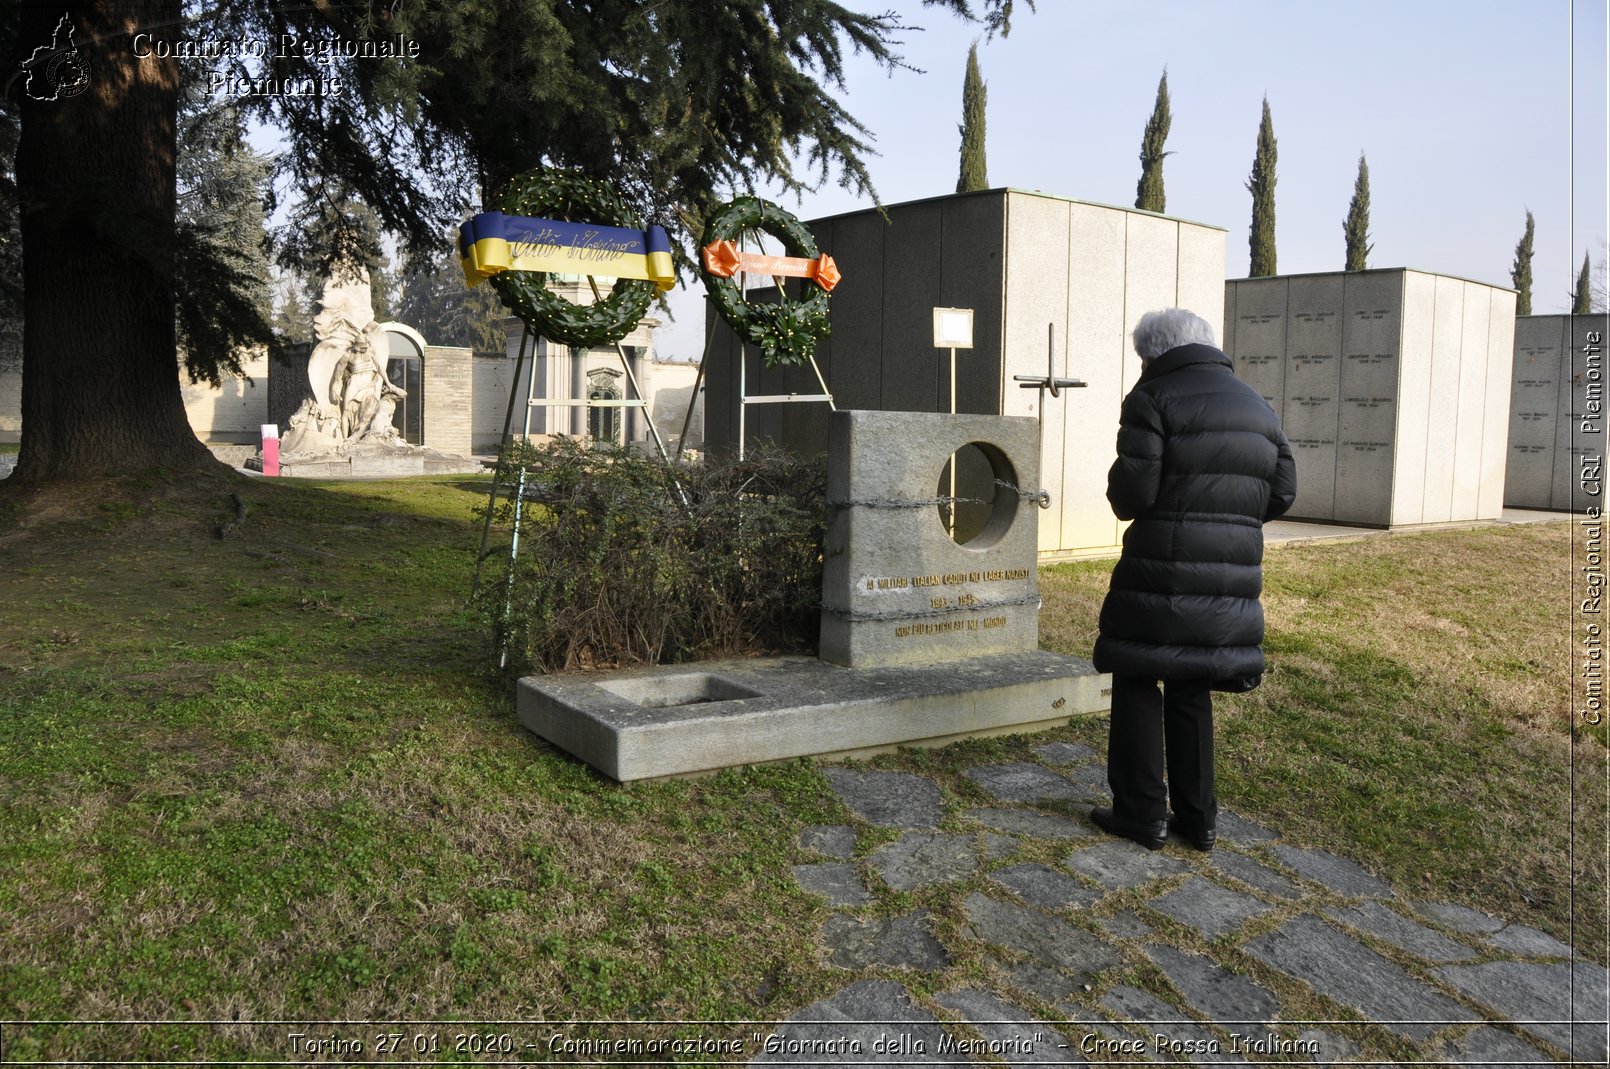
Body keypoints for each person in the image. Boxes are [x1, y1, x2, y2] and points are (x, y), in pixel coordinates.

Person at [1090, 308, 1296, 852]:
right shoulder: (1258, 404)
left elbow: (1132, 493)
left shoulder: (1151, 399)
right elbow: (1282, 492)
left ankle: (1140, 813)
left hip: (1159, 569)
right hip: (1230, 575)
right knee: (1191, 683)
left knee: (1137, 673)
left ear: (1153, 355)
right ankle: (1198, 819)